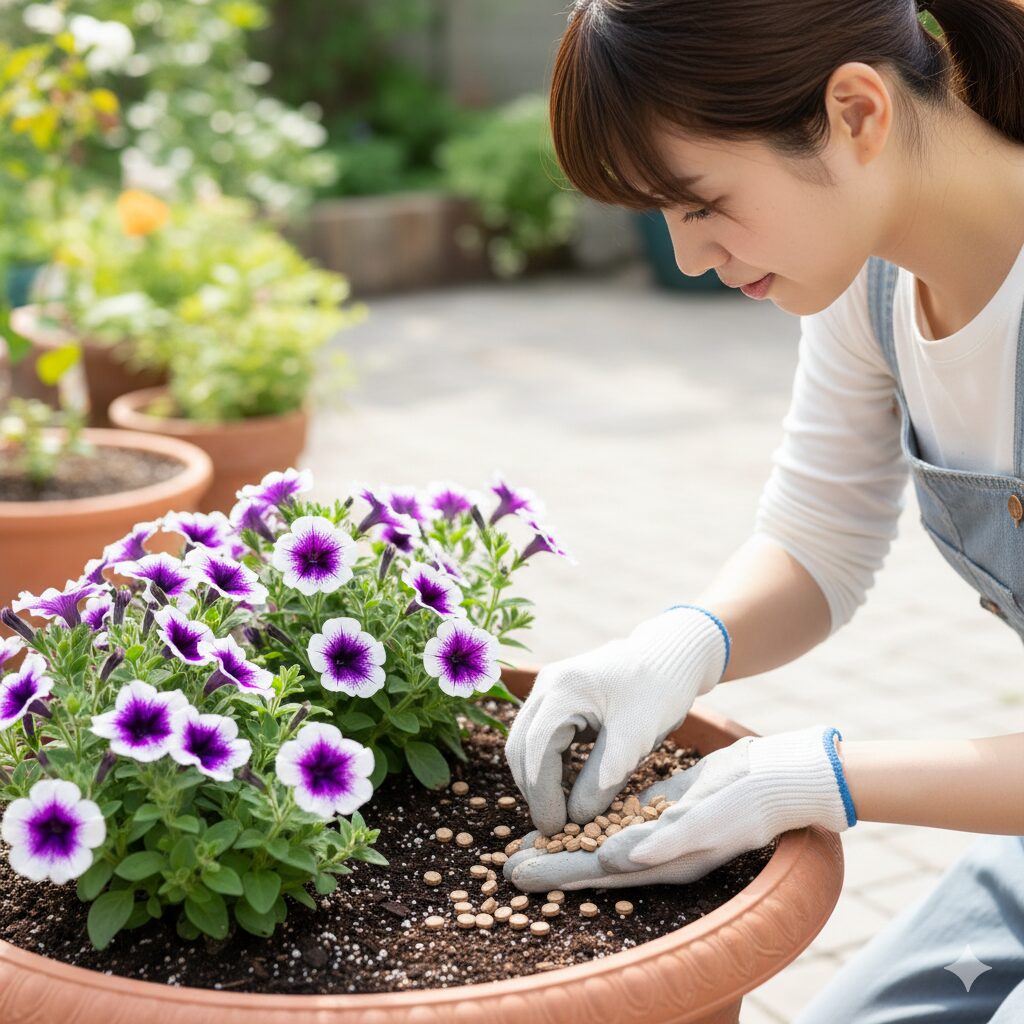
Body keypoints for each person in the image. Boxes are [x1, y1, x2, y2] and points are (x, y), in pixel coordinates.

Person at [501, 1, 1024, 1019]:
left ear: (856, 113)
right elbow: (816, 540)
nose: (689, 256)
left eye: (699, 204)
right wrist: (679, 645)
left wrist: (819, 776)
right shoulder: (869, 282)